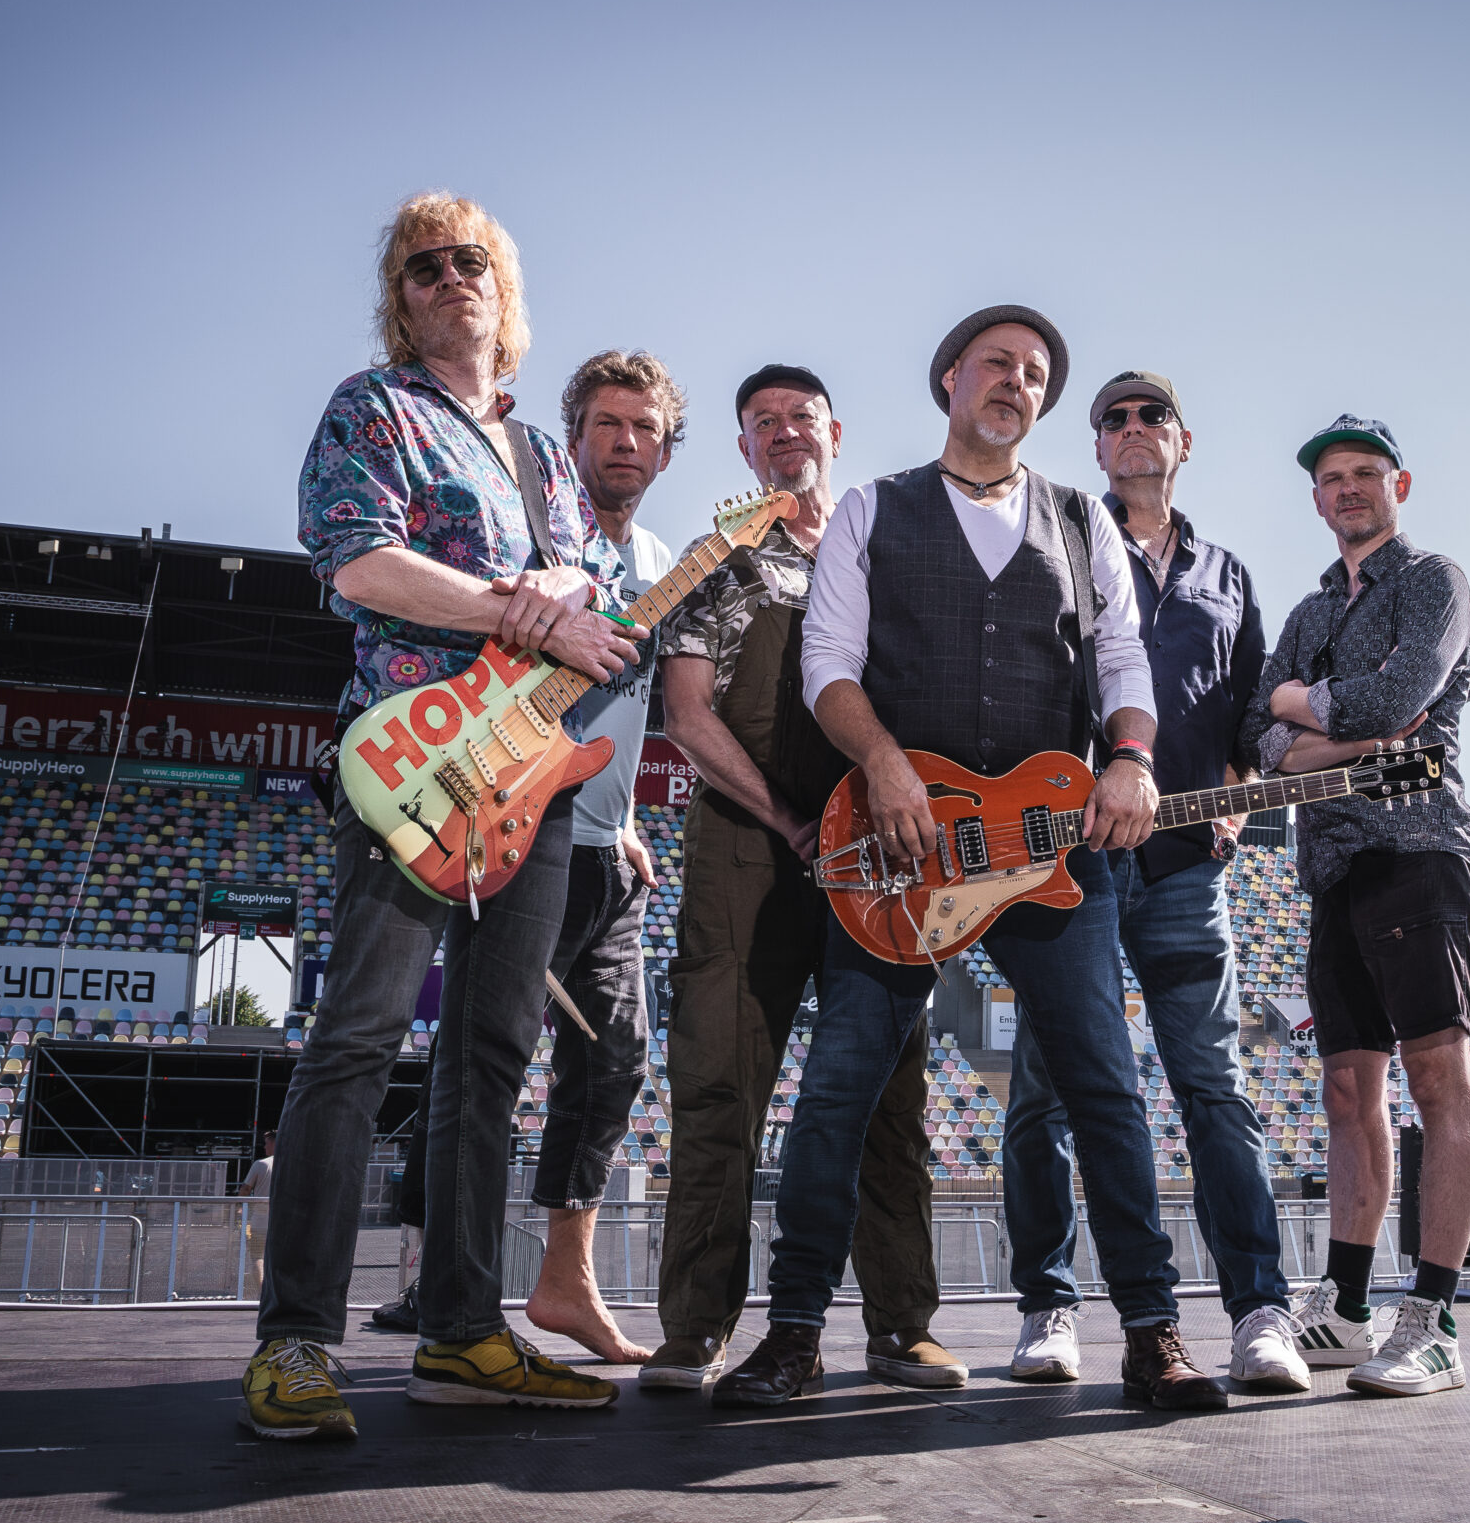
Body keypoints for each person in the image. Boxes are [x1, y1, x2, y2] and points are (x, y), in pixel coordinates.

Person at [714, 306, 1222, 1411]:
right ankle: (793, 1332)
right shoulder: (871, 508)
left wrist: (1132, 760)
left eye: (1035, 373)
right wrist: (885, 766)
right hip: (903, 848)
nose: (1016, 382)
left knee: (1105, 1089)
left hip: (1051, 850)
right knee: (838, 1091)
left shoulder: (1081, 520)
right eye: (997, 363)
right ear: (950, 378)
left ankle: (1152, 1332)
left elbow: (1124, 660)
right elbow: (827, 664)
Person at [240, 192, 642, 1440]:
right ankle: (295, 1340)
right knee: (359, 1037)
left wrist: (571, 588)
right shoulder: (373, 408)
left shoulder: (542, 455)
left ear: (503, 293)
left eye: (470, 261)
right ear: (398, 301)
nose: (447, 277)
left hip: (530, 777)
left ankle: (463, 1331)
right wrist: (515, 608)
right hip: (414, 764)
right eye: (422, 267)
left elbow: (599, 588)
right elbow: (357, 562)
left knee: (492, 1056)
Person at [643, 364, 949, 1393]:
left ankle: (902, 1326)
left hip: (877, 852)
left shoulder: (881, 558)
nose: (783, 434)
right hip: (746, 845)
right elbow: (687, 715)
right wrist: (786, 820)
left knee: (890, 1093)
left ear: (835, 432)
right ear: (743, 448)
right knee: (719, 1083)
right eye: (762, 423)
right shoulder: (717, 560)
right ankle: (695, 1328)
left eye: (800, 418)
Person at [373, 351, 684, 1359]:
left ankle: (565, 1282)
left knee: (615, 1062)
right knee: (483, 1056)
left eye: (644, 427)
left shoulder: (664, 561)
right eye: (606, 424)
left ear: (667, 451)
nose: (625, 442)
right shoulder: (535, 530)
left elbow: (634, 707)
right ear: (571, 438)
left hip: (607, 850)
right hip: (512, 831)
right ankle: (435, 1281)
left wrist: (625, 814)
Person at [1002, 371, 1300, 1391]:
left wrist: (1239, 796)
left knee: (1214, 1087)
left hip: (1182, 866)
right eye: (1114, 419)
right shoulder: (1059, 543)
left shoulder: (1228, 573)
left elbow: (1252, 711)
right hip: (1073, 858)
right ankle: (1047, 1304)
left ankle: (1259, 1312)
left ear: (1183, 441)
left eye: (1152, 416)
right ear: (1096, 447)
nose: (1133, 429)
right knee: (1046, 1090)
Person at [1240, 415, 1470, 1399]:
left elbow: (1400, 702)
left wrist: (1308, 711)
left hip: (1417, 847)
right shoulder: (1306, 614)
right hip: (1330, 863)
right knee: (1347, 1092)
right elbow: (1260, 739)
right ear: (1315, 498)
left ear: (1398, 485)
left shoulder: (1433, 581)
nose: (1347, 488)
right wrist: (1335, 729)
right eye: (1332, 477)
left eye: (1365, 473)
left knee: (1437, 1079)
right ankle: (1345, 1307)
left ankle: (1433, 1321)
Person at [238, 1130, 276, 1292]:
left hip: (260, 1222)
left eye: (266, 1143)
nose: (264, 1147)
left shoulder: (261, 1164)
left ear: (274, 1143)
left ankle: (262, 1293)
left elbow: (246, 1189)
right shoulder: (293, 1166)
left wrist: (238, 1207)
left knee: (257, 1256)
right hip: (283, 1223)